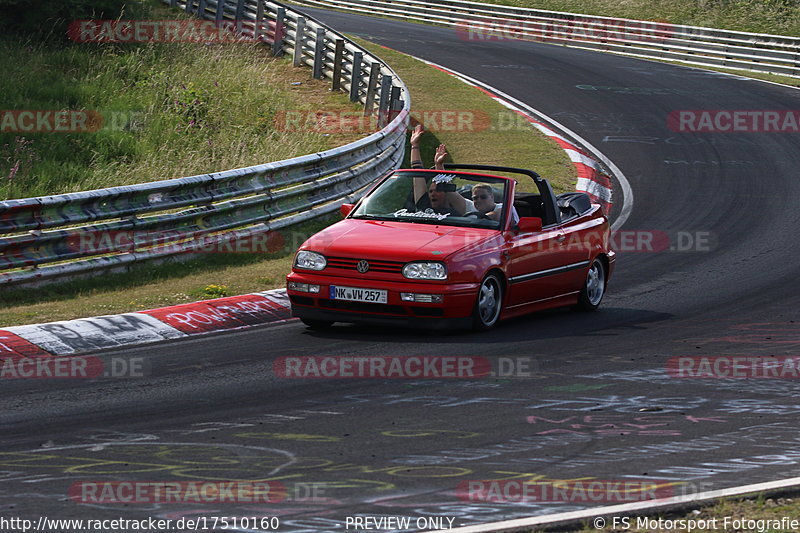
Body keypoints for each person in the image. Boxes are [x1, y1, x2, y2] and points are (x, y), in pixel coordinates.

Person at [408, 124, 473, 215]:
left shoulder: (458, 211)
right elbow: (417, 173)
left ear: (447, 194)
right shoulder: (424, 205)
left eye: (438, 190)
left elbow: (446, 186)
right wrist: (414, 145)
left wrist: (439, 165)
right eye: (430, 191)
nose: (433, 194)